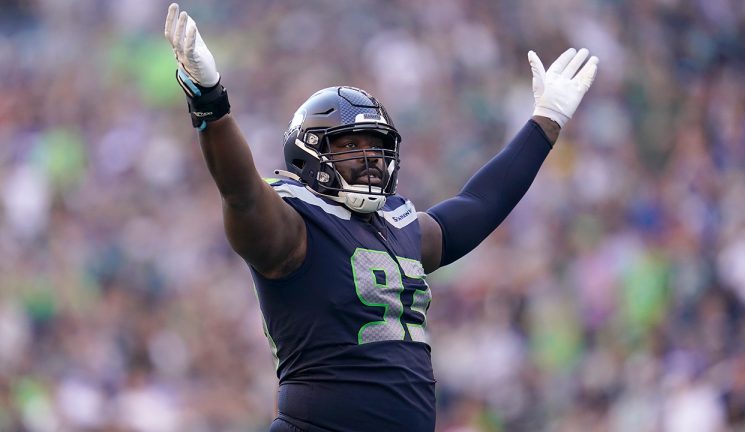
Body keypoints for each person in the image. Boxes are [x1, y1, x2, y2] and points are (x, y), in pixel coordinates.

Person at [164, 3, 598, 431]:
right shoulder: (295, 223)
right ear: (310, 153)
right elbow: (239, 193)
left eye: (377, 146)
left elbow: (478, 206)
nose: (370, 158)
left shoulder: (398, 224)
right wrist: (211, 102)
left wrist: (546, 121)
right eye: (352, 146)